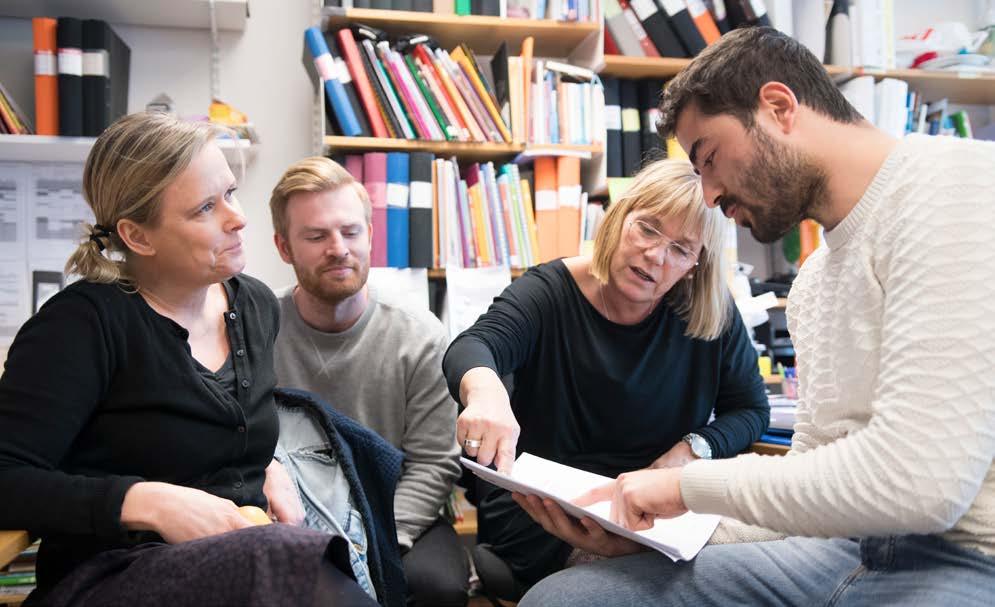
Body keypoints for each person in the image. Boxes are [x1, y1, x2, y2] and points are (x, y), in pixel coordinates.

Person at [518, 26, 995, 607]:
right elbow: (811, 489)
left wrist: (686, 487)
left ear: (778, 107)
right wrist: (654, 536)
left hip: (970, 558)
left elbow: (920, 483)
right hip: (840, 550)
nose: (711, 196)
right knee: (568, 598)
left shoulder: (958, 186)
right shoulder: (816, 283)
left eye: (710, 158)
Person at [0, 112, 380, 607]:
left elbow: (222, 437)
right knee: (291, 559)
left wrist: (267, 466)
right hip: (114, 573)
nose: (237, 217)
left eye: (230, 192)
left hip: (240, 557)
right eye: (205, 208)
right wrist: (145, 501)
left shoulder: (255, 306)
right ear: (138, 236)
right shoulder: (81, 325)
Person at [443, 158, 770, 594]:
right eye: (648, 229)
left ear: (695, 264)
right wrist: (485, 391)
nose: (655, 255)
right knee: (662, 585)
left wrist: (691, 450)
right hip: (547, 509)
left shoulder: (707, 311)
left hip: (656, 505)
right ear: (619, 218)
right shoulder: (550, 291)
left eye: (680, 248)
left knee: (760, 559)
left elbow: (750, 409)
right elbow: (473, 346)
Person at [269, 157, 467, 607]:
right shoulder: (258, 330)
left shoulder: (420, 336)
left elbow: (434, 464)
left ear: (372, 235)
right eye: (317, 236)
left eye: (351, 232)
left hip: (393, 509)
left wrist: (368, 548)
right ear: (284, 247)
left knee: (437, 587)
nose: (338, 248)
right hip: (294, 514)